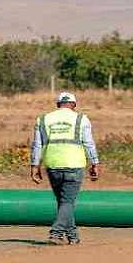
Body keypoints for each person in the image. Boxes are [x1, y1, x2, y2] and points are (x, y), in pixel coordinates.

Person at [30, 92, 100, 245]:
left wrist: (35, 166)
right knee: (67, 202)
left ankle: (72, 235)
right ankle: (56, 233)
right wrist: (95, 163)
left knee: (63, 202)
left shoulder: (43, 119)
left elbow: (37, 145)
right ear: (74, 105)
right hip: (74, 165)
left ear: (57, 105)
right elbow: (88, 143)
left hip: (53, 165)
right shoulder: (81, 119)